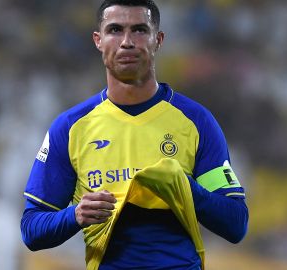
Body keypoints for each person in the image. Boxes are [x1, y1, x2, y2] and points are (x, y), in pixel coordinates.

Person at [20, 0, 249, 269]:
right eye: (115, 30)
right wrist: (76, 215)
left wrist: (187, 190)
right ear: (98, 40)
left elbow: (236, 224)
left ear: (158, 39)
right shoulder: (71, 128)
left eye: (139, 30)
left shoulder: (196, 122)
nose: (126, 41)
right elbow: (31, 229)